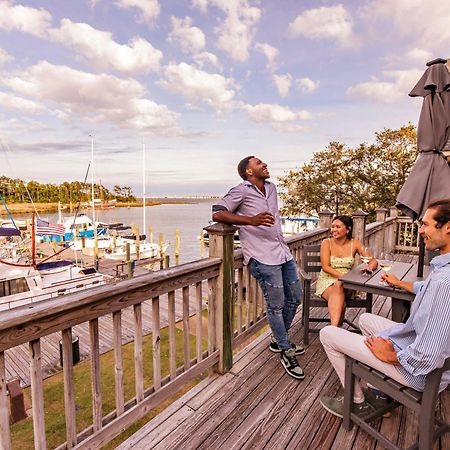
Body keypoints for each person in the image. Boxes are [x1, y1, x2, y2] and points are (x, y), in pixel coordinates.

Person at [319, 198, 450, 419]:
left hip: (418, 372)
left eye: (425, 224)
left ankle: (356, 403)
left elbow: (429, 356)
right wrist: (400, 283)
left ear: (447, 227)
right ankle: (379, 392)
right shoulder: (442, 270)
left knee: (329, 334)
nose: (421, 230)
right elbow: (426, 288)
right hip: (415, 344)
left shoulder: (444, 283)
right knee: (366, 320)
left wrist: (393, 356)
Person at [212, 156, 305, 380]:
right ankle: (284, 349)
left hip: (282, 252)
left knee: (296, 297)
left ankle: (277, 339)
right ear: (249, 171)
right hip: (262, 257)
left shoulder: (272, 188)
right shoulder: (241, 190)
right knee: (276, 306)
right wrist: (250, 221)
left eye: (264, 162)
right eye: (259, 163)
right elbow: (217, 213)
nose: (265, 164)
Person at [315, 215, 377, 326]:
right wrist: (343, 277)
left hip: (348, 284)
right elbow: (325, 267)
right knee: (340, 295)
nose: (334, 229)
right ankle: (335, 329)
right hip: (327, 280)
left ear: (348, 229)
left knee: (340, 288)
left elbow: (373, 261)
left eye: (337, 227)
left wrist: (369, 267)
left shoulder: (355, 244)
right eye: (333, 226)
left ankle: (333, 330)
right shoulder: (326, 243)